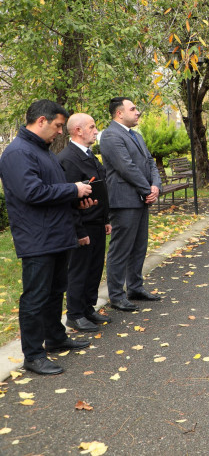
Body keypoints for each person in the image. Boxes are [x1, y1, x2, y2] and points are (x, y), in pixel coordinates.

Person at [0, 100, 94, 375]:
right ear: (41, 121)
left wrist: (77, 199)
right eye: (58, 126)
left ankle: (55, 337)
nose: (61, 132)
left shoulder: (43, 151)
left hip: (56, 233)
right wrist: (72, 191)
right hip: (37, 238)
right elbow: (32, 193)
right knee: (36, 296)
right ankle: (33, 354)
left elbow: (53, 190)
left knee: (55, 291)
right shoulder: (18, 152)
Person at [99, 97, 161, 312]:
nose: (137, 112)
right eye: (132, 109)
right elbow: (126, 167)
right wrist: (147, 190)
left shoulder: (136, 135)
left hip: (141, 198)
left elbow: (149, 162)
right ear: (119, 113)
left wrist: (156, 186)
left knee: (139, 247)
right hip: (124, 201)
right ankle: (116, 295)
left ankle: (135, 287)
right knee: (121, 249)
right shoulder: (110, 136)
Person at [58, 113, 111, 332]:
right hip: (83, 224)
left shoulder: (90, 155)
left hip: (97, 221)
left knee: (95, 268)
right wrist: (79, 231)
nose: (96, 130)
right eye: (92, 127)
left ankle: (88, 307)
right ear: (78, 130)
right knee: (79, 270)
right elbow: (69, 200)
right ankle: (75, 314)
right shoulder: (68, 158)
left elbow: (100, 187)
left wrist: (105, 219)